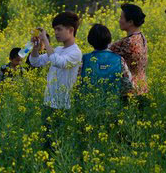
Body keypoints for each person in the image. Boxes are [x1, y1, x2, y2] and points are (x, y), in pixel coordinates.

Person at [28, 12, 83, 148]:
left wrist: (46, 42)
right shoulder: (58, 49)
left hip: (63, 105)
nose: (56, 33)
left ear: (70, 30)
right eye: (54, 30)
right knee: (45, 142)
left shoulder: (75, 52)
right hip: (48, 102)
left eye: (59, 29)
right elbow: (35, 62)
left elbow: (59, 62)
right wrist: (35, 48)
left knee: (58, 143)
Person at [78, 24, 132, 110]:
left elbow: (78, 82)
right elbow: (127, 83)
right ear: (109, 40)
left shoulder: (84, 59)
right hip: (112, 105)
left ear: (90, 41)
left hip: (89, 106)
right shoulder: (119, 59)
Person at [108, 3, 149, 98]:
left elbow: (103, 51)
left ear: (130, 22)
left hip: (129, 91)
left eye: (121, 18)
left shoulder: (128, 42)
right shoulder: (141, 37)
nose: (119, 21)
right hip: (142, 88)